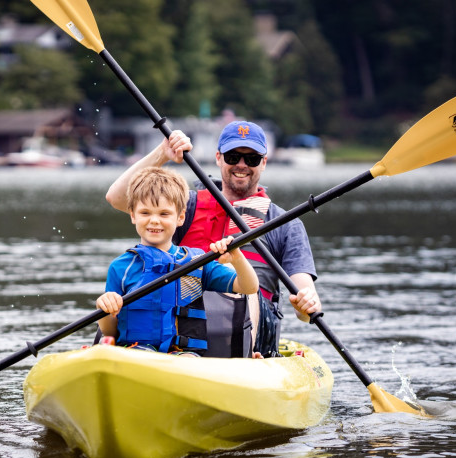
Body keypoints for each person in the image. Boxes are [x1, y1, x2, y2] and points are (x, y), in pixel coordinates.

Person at [105, 121, 321, 358]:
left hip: (251, 330)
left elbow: (304, 302)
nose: (241, 165)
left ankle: (242, 358)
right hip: (178, 324)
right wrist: (162, 154)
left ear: (264, 162)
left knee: (231, 272)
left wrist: (306, 305)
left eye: (251, 159)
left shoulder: (285, 224)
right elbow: (116, 198)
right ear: (218, 158)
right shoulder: (183, 206)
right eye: (233, 156)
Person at [96, 166, 260, 357]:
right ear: (133, 215)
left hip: (185, 356)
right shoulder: (121, 268)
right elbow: (109, 331)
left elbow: (249, 287)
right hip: (136, 353)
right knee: (141, 354)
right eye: (145, 213)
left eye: (164, 214)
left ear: (180, 217)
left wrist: (237, 258)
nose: (154, 221)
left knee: (188, 359)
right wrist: (104, 308)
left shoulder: (198, 262)